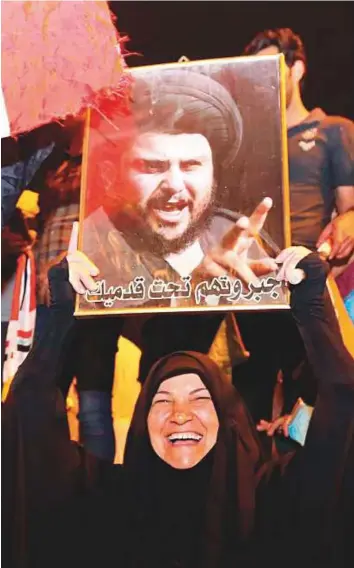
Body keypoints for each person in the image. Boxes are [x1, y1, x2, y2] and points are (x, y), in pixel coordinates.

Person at [3, 241, 353, 568]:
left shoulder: (273, 501)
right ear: (143, 420)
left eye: (201, 399)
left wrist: (312, 310)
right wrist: (63, 314)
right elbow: (29, 421)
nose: (180, 414)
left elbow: (343, 409)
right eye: (162, 401)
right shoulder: (106, 501)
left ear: (228, 418)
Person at [233, 27, 354, 425]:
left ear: (296, 69)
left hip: (306, 280)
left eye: (270, 69)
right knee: (251, 405)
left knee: (310, 405)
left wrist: (344, 227)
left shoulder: (334, 130)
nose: (262, 82)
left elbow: (350, 210)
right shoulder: (246, 142)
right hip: (250, 286)